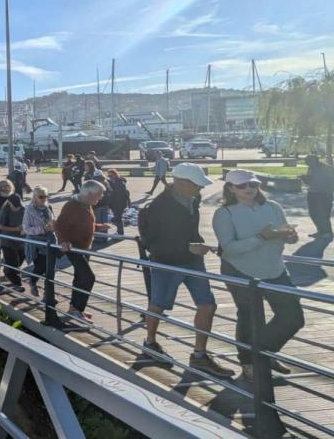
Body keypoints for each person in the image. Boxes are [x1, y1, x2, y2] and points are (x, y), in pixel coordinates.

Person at [139, 163, 234, 378]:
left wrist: (202, 245)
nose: (200, 189)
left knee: (208, 305)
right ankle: (150, 342)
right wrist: (186, 246)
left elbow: (190, 231)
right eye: (197, 185)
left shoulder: (193, 199)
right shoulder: (158, 206)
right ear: (180, 183)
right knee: (158, 305)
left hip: (192, 260)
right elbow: (151, 242)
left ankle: (199, 355)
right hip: (166, 262)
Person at [212, 170, 304, 382]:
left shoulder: (273, 207)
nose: (249, 189)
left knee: (293, 318)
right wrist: (262, 237)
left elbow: (286, 236)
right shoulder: (224, 213)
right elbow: (228, 250)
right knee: (249, 318)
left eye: (253, 184)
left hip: (275, 269)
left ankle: (263, 353)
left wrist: (291, 237)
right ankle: (249, 363)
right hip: (239, 271)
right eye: (242, 186)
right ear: (231, 188)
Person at [52, 180, 109, 322]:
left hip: (84, 248)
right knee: (88, 277)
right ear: (89, 194)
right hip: (73, 247)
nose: (101, 197)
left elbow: (84, 224)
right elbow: (59, 225)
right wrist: (64, 241)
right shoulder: (71, 206)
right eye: (99, 194)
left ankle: (74, 309)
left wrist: (100, 226)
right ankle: (78, 309)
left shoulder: (86, 205)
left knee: (79, 278)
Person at [23, 185, 55, 296]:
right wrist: (42, 229)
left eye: (46, 196)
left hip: (49, 241)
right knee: (41, 266)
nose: (44, 199)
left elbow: (53, 221)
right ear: (35, 197)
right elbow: (26, 229)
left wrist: (54, 226)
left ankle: (48, 294)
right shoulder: (29, 210)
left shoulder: (48, 207)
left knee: (50, 269)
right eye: (41, 197)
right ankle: (32, 281)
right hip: (36, 243)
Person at [0, 185, 26, 292]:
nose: (17, 208)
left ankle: (8, 272)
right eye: (15, 207)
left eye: (18, 206)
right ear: (10, 203)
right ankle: (17, 284)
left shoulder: (24, 209)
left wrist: (26, 228)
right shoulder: (5, 210)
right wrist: (15, 229)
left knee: (19, 262)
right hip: (8, 241)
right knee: (13, 263)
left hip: (22, 241)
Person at [303, 155, 334, 239]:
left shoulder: (327, 168)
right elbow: (309, 182)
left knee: (324, 214)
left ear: (315, 161)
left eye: (308, 162)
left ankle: (328, 232)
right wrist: (305, 179)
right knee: (313, 213)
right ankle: (320, 230)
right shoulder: (310, 168)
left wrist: (329, 192)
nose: (308, 165)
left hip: (324, 194)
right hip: (313, 193)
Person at [106, 169, 130, 235]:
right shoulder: (117, 182)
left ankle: (120, 232)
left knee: (118, 218)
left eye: (111, 175)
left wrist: (111, 189)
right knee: (118, 218)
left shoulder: (119, 183)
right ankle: (120, 231)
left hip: (118, 203)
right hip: (119, 203)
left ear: (115, 174)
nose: (109, 177)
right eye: (108, 176)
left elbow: (115, 194)